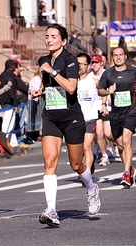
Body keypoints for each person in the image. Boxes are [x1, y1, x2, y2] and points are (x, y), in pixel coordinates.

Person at [32, 24, 100, 226]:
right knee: (49, 162)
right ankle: (51, 209)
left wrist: (52, 72)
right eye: (47, 36)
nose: (49, 39)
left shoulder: (70, 59)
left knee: (76, 164)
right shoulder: (43, 60)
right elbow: (47, 84)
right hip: (51, 117)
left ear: (63, 41)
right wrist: (41, 91)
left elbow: (71, 87)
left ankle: (91, 187)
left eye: (53, 36)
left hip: (72, 118)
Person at [97, 47, 136, 187]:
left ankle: (126, 172)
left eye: (121, 55)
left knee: (126, 140)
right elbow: (100, 90)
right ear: (112, 58)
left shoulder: (133, 71)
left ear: (125, 56)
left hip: (131, 112)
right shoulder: (108, 73)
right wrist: (108, 91)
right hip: (115, 114)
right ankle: (131, 169)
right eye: (115, 55)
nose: (118, 57)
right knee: (120, 145)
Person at [76, 53, 99, 184]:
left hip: (90, 117)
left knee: (86, 146)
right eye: (77, 63)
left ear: (88, 65)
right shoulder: (73, 81)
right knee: (79, 149)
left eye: (82, 64)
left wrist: (103, 105)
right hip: (76, 119)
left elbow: (103, 92)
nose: (79, 66)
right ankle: (88, 165)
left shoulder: (94, 81)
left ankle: (86, 175)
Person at [88, 55, 110, 167]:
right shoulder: (89, 76)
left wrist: (105, 102)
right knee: (99, 133)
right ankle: (104, 155)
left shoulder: (107, 73)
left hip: (108, 107)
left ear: (102, 63)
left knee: (109, 134)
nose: (94, 64)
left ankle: (113, 144)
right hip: (95, 108)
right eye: (93, 62)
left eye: (96, 62)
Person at [0, 59, 19, 146]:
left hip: (2, 101)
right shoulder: (11, 76)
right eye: (14, 66)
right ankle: (4, 142)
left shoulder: (2, 75)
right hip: (9, 102)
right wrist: (15, 104)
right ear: (11, 66)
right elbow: (11, 91)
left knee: (10, 123)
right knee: (7, 123)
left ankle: (13, 142)